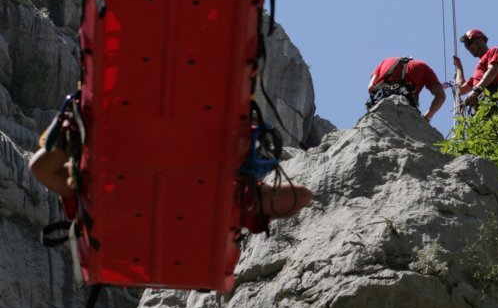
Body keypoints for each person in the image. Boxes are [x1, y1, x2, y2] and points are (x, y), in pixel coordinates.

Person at [28, 109, 312, 222]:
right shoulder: (100, 179)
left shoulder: (230, 191)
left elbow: (300, 196)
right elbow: (40, 168)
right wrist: (72, 126)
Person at [367, 57, 447, 121]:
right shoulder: (422, 66)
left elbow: (370, 87)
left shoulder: (387, 61)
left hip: (380, 103)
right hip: (406, 107)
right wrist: (426, 117)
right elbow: (441, 97)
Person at [453, 28, 498, 110]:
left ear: (480, 40)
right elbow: (460, 90)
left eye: (470, 43)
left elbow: (493, 71)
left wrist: (476, 90)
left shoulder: (494, 51)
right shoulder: (478, 74)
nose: (469, 48)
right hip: (480, 106)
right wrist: (459, 67)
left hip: (492, 98)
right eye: (466, 47)